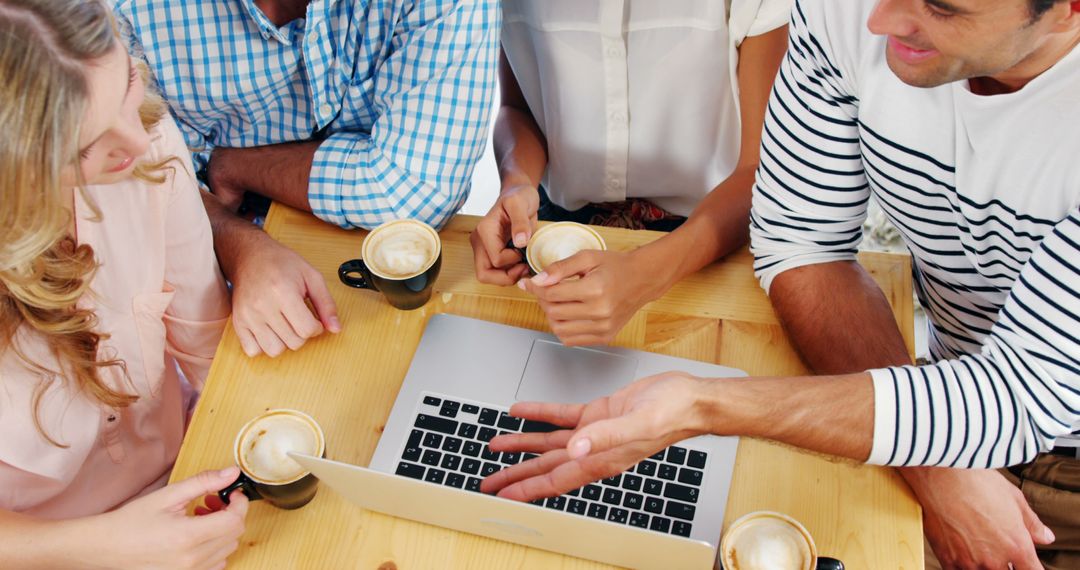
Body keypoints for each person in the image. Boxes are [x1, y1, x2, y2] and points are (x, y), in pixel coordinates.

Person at [480, 1, 1080, 569]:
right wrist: (941, 468)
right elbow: (800, 244)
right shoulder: (849, 12)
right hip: (938, 407)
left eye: (944, 7)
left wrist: (703, 403)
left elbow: (1025, 393)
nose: (877, 19)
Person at [0, 1, 248, 567]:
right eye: (84, 147)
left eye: (128, 86)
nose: (137, 142)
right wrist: (100, 549)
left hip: (186, 479)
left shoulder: (147, 146)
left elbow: (211, 354)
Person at [111, 0, 500, 357]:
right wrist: (239, 244)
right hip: (207, 293)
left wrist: (231, 167)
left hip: (383, 282)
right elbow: (147, 189)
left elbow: (414, 191)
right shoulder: (126, 12)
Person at [469, 0, 790, 346]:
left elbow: (762, 169)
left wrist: (644, 276)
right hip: (556, 231)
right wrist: (516, 183)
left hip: (710, 236)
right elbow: (517, 108)